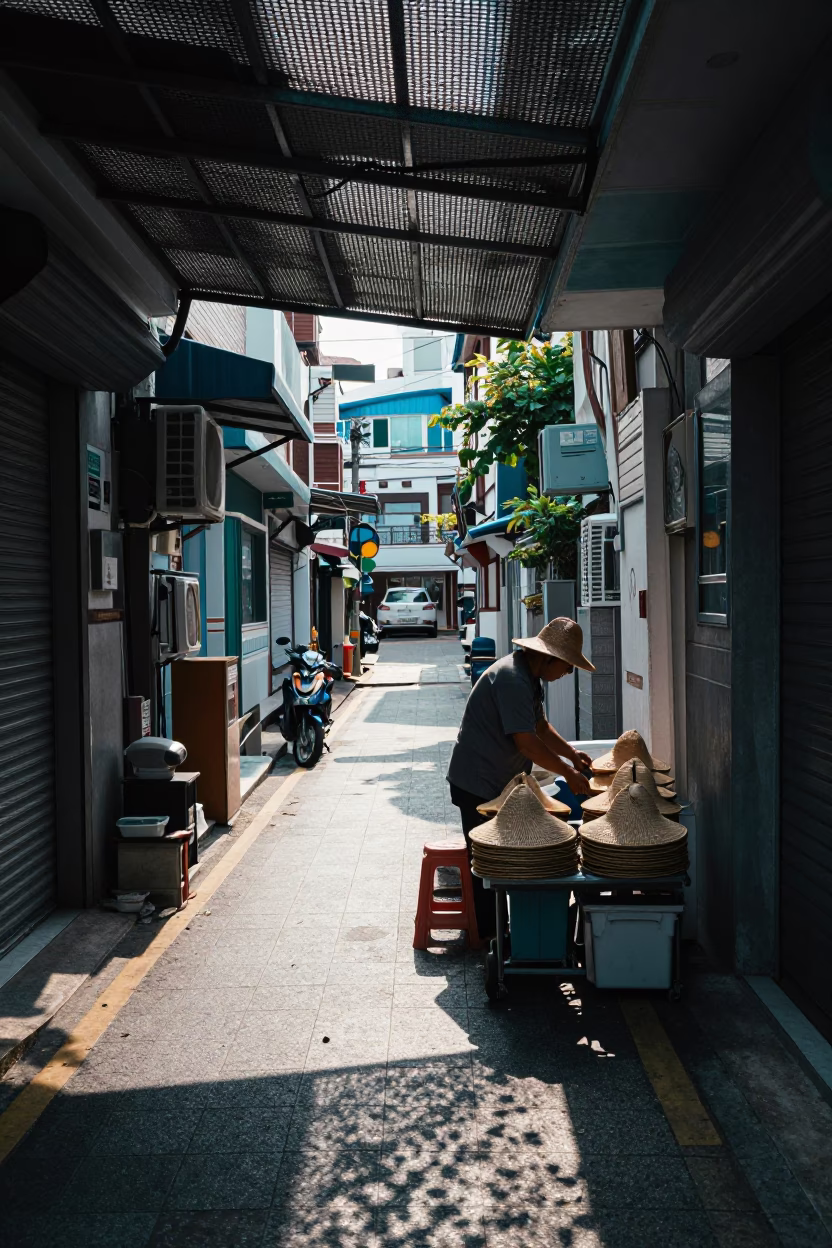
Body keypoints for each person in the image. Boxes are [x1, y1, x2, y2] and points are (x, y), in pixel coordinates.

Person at [447, 617, 595, 937]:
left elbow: (540, 727)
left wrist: (572, 755)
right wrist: (568, 773)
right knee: (487, 864)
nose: (568, 672)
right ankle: (492, 941)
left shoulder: (528, 676)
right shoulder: (513, 679)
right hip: (477, 782)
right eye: (567, 665)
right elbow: (527, 743)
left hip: (496, 781)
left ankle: (506, 934)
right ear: (547, 658)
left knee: (501, 859)